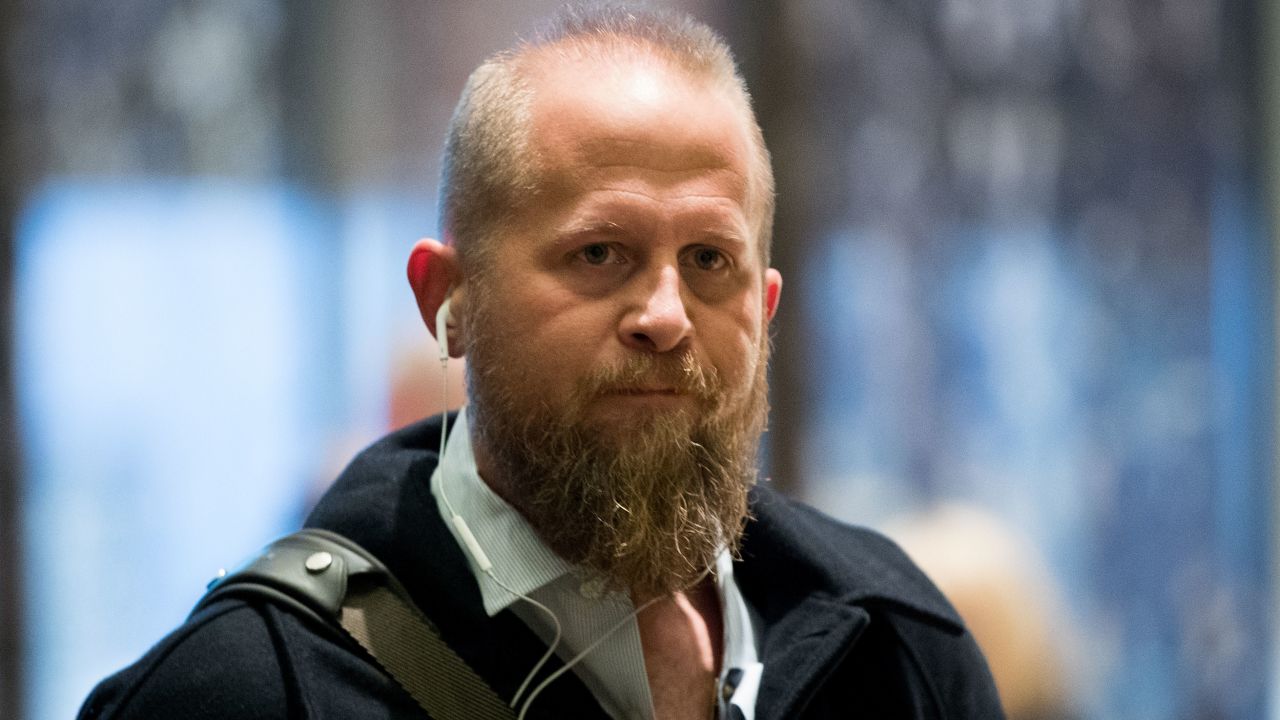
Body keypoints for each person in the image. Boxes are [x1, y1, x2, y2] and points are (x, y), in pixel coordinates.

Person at [79, 6, 1004, 719]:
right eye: (598, 253)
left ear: (764, 311)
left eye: (709, 261)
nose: (665, 317)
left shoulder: (898, 648)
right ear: (448, 300)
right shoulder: (247, 692)